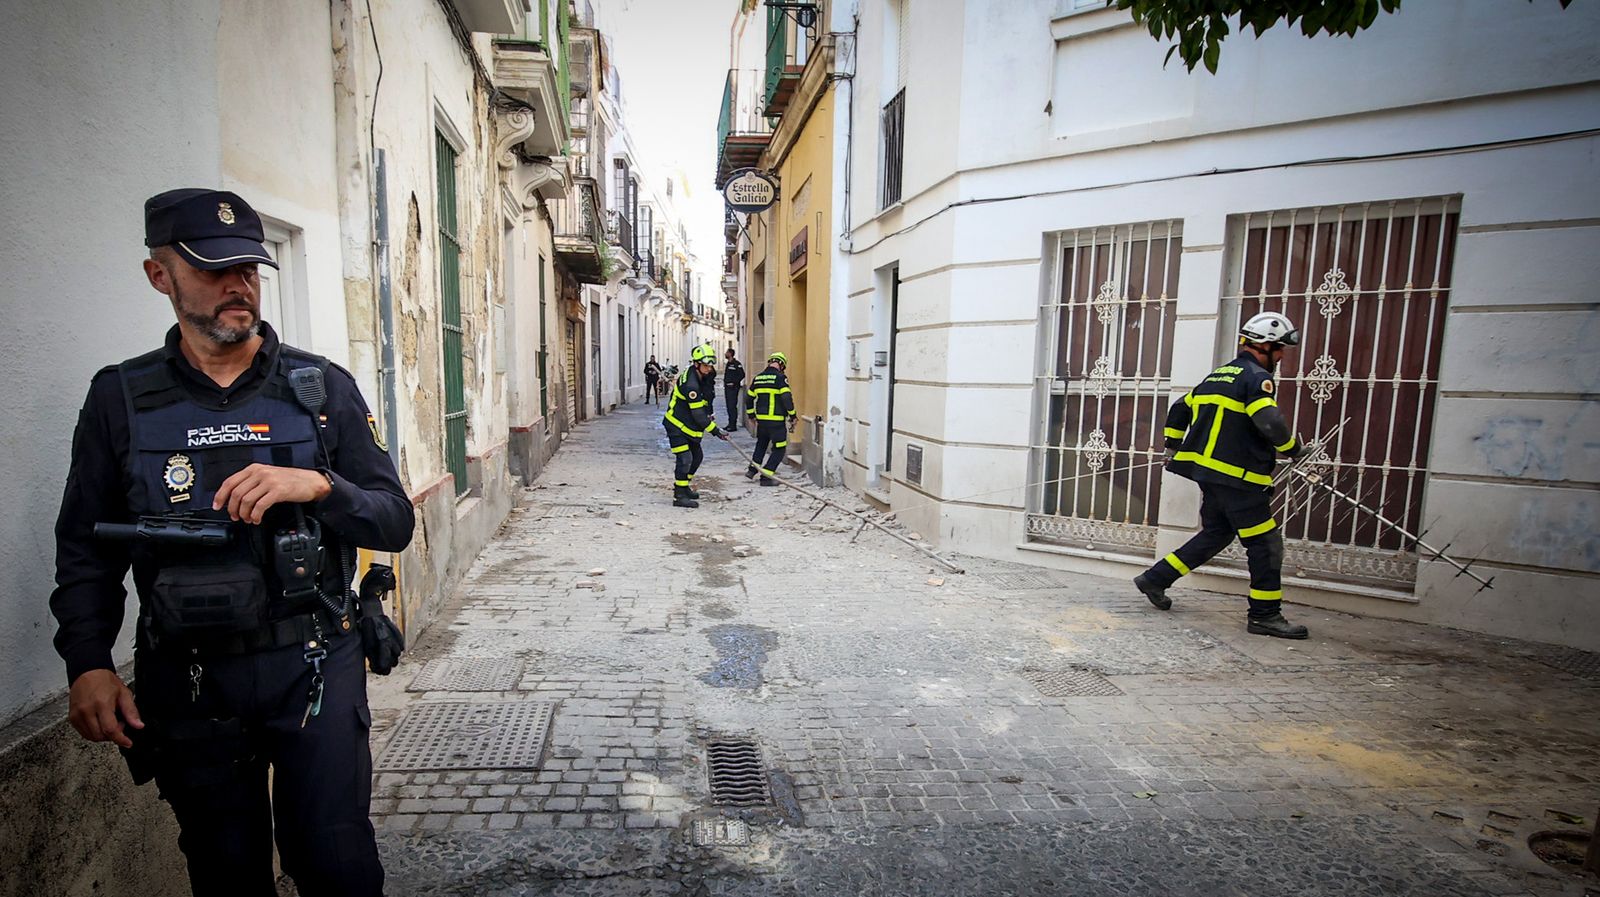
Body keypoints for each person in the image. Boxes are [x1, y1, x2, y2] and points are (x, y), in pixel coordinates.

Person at [49, 188, 414, 896]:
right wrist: (88, 661)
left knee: (338, 865)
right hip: (189, 680)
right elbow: (86, 549)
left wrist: (320, 488)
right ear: (160, 275)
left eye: (247, 268)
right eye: (213, 270)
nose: (237, 285)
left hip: (312, 664)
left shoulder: (321, 391)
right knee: (226, 873)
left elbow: (393, 519)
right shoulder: (119, 400)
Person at [1133, 311, 1309, 639]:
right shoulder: (1257, 378)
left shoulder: (1218, 376)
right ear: (1266, 346)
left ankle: (1155, 579)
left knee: (1217, 533)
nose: (1283, 355)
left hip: (1210, 476)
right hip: (1239, 480)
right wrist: (1294, 449)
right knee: (1265, 544)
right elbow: (1268, 421)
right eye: (1281, 348)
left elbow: (1179, 409)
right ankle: (1264, 615)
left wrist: (1173, 444)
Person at [663, 344, 728, 507]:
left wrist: (710, 411)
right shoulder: (690, 384)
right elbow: (698, 415)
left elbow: (708, 397)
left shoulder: (703, 375)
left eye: (710, 365)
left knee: (697, 457)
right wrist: (716, 431)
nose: (709, 368)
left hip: (688, 425)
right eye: (706, 365)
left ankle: (684, 486)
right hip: (676, 425)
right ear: (696, 364)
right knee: (685, 458)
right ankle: (679, 496)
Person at [745, 351, 797, 486]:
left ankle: (752, 470)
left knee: (761, 444)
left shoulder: (758, 378)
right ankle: (766, 477)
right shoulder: (780, 378)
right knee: (779, 449)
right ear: (781, 364)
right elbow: (786, 398)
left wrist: (751, 415)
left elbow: (749, 398)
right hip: (776, 421)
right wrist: (793, 415)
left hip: (761, 421)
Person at [721, 347, 746, 430]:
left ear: (730, 354)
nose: (725, 354)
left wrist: (734, 383)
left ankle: (733, 425)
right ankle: (730, 423)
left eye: (726, 352)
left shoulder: (736, 364)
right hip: (727, 388)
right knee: (729, 406)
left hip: (733, 388)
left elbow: (742, 374)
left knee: (732, 406)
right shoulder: (728, 363)